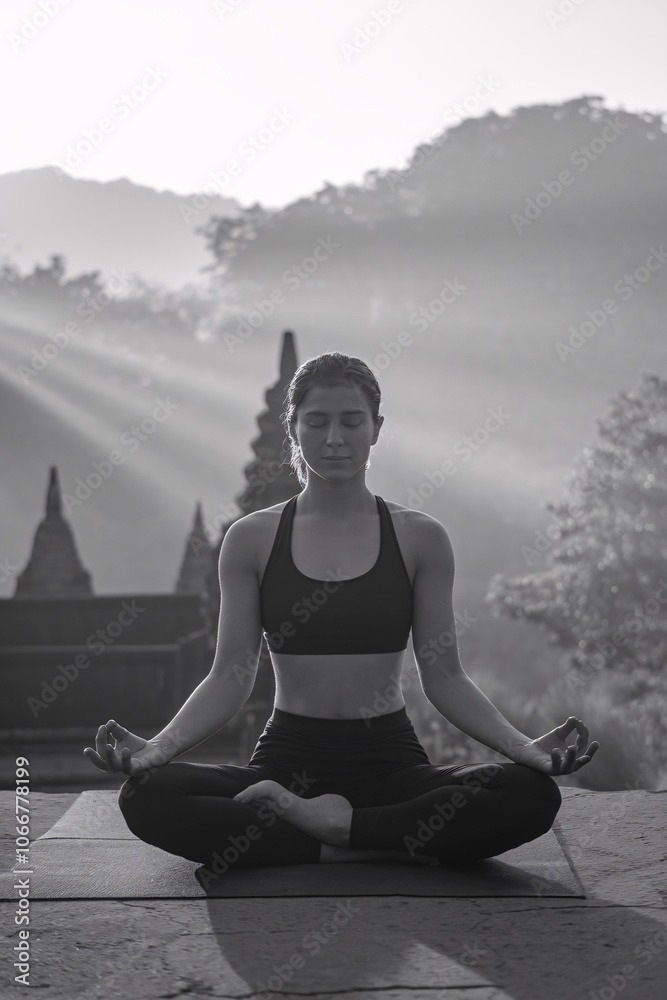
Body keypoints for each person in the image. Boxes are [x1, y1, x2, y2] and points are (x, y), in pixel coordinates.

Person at [84, 352, 599, 872]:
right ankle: (370, 841)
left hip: (391, 765)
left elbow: (444, 676)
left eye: (352, 422)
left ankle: (326, 832)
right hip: (286, 762)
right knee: (147, 794)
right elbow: (229, 676)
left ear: (376, 428)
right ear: (294, 428)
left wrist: (524, 748)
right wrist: (156, 749)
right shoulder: (252, 540)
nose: (335, 438)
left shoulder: (420, 537)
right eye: (317, 421)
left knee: (528, 794)